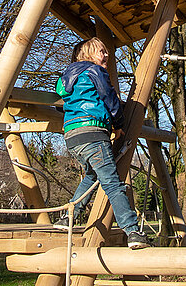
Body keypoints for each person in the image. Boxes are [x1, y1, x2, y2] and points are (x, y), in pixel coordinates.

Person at [53, 37, 150, 248]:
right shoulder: (94, 71)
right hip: (93, 133)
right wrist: (118, 123)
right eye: (101, 51)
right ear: (88, 54)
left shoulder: (66, 78)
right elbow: (109, 98)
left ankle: (67, 217)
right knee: (113, 184)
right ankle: (133, 231)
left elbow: (62, 104)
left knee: (91, 177)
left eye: (106, 51)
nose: (106, 55)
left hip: (72, 136)